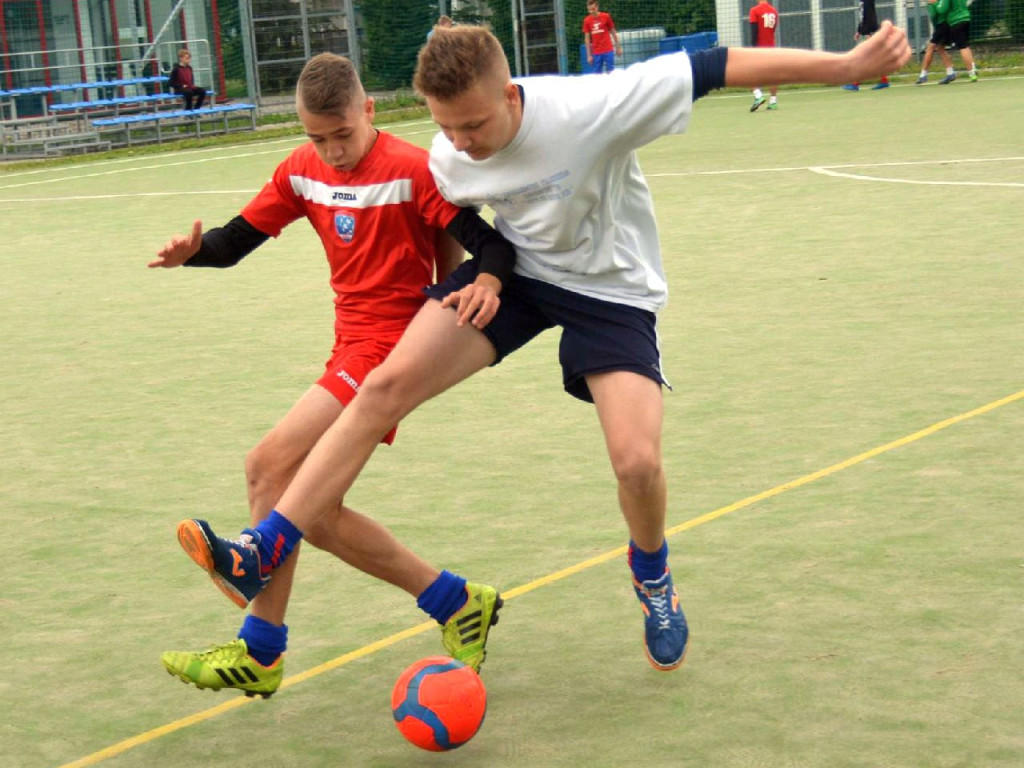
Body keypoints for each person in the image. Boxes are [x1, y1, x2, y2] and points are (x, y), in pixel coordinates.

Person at [175, 24, 910, 674]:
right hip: (517, 281)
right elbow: (470, 231)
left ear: (510, 94)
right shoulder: (446, 152)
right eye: (444, 126)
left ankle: (650, 571)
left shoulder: (589, 110)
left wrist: (843, 64)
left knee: (637, 460)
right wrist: (486, 277)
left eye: (471, 124)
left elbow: (714, 66)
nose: (458, 143)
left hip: (610, 290)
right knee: (384, 385)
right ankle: (266, 545)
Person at [156, 52, 514, 698]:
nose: (332, 150)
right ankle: (455, 601)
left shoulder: (411, 170)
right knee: (312, 514)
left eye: (342, 134)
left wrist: (483, 280)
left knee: (267, 466)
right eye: (317, 138)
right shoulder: (302, 170)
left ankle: (260, 649)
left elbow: (491, 243)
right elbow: (235, 241)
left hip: (390, 350)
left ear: (368, 110)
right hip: (347, 346)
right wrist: (193, 255)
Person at [841, 0, 891, 91]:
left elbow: (870, 16)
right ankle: (883, 80)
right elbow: (863, 17)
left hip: (869, 32)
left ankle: (855, 83)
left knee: (862, 57)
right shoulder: (863, 1)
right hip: (867, 31)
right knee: (873, 58)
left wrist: (868, 32)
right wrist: (859, 31)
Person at [929, 0, 978, 83]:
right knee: (966, 45)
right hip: (966, 18)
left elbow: (942, 9)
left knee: (962, 47)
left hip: (956, 21)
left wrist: (934, 3)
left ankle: (972, 73)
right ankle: (972, 67)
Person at [748, 0, 780, 111]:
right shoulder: (774, 11)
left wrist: (753, 48)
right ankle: (773, 101)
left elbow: (754, 31)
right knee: (772, 76)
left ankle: (758, 96)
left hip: (760, 48)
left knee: (747, 73)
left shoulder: (754, 10)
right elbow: (773, 29)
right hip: (771, 47)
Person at [915, 0, 955, 84]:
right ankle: (950, 72)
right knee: (941, 49)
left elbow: (937, 13)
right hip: (941, 25)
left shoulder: (934, 2)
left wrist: (933, 4)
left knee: (930, 47)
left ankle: (923, 75)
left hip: (943, 25)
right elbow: (933, 15)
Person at [583, 0, 622, 74]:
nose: (591, 11)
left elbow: (613, 32)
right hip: (596, 52)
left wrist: (618, 47)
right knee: (597, 75)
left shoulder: (606, 16)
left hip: (608, 50)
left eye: (593, 9)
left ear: (597, 7)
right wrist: (589, 55)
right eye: (589, 9)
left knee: (611, 73)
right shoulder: (587, 20)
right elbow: (587, 38)